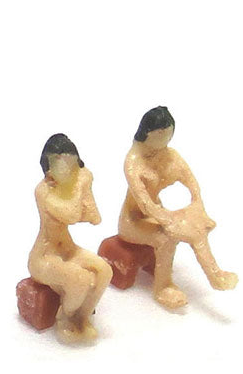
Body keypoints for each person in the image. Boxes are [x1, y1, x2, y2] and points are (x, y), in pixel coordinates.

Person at [118, 106, 238, 308]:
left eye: (169, 134)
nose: (165, 140)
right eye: (160, 135)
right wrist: (169, 220)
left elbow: (192, 183)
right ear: (147, 134)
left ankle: (215, 273)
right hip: (133, 220)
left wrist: (197, 206)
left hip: (158, 213)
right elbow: (145, 204)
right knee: (166, 238)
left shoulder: (170, 155)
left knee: (195, 227)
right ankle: (162, 287)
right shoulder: (133, 162)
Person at [28, 134, 112, 342]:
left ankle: (82, 317)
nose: (70, 171)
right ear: (49, 170)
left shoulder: (71, 189)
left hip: (67, 250)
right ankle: (65, 318)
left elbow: (94, 217)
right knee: (79, 279)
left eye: (73, 165)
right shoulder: (43, 191)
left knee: (104, 270)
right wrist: (81, 185)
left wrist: (86, 187)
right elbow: (71, 214)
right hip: (44, 257)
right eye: (63, 165)